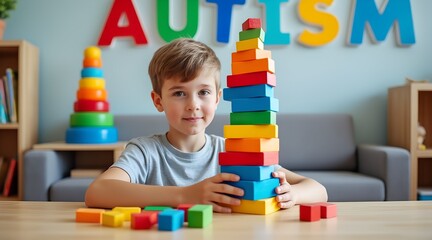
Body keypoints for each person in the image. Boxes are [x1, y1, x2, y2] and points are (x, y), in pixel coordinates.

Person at [85, 38, 328, 212]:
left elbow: (317, 189)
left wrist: (294, 195)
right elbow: (98, 192)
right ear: (158, 101)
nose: (193, 105)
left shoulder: (235, 152)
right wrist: (184, 195)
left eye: (203, 92)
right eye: (179, 93)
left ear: (217, 97)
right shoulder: (144, 151)